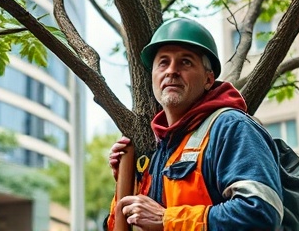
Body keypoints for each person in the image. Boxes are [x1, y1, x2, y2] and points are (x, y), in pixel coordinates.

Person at [106, 18, 283, 230]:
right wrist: (127, 183)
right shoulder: (164, 148)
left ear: (209, 80)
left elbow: (261, 213)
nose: (171, 71)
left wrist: (167, 219)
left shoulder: (230, 127)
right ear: (152, 77)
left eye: (186, 62)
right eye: (163, 62)